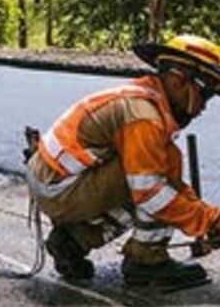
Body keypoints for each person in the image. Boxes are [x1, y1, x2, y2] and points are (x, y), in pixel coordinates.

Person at [27, 34, 220, 290]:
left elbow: (172, 185)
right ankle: (147, 262)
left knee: (162, 166)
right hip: (59, 190)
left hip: (54, 182)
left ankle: (73, 240)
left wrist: (208, 219)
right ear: (178, 80)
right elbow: (153, 193)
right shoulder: (144, 118)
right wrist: (207, 221)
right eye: (204, 95)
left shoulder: (145, 100)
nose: (204, 108)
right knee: (153, 187)